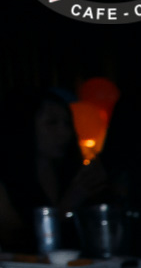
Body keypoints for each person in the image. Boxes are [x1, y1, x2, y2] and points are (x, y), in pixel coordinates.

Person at [0, 90, 110, 250]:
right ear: (24, 126)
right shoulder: (7, 181)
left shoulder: (73, 174)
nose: (64, 133)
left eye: (67, 123)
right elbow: (14, 243)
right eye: (52, 123)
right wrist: (67, 206)